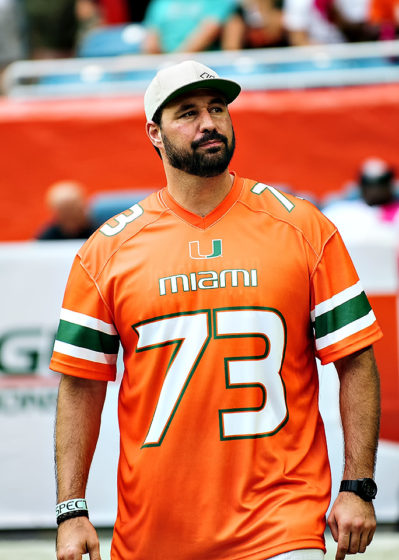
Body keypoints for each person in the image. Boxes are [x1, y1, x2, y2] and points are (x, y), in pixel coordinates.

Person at [51, 60, 382, 560]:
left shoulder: (303, 227)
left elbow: (356, 359)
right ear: (154, 134)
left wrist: (358, 485)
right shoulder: (107, 250)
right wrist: (71, 510)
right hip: (154, 533)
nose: (208, 123)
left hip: (282, 524)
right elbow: (80, 384)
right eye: (187, 113)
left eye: (217, 108)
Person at [323, 157, 399, 239]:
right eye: (369, 184)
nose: (375, 190)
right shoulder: (340, 210)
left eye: (381, 184)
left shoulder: (396, 213)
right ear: (361, 186)